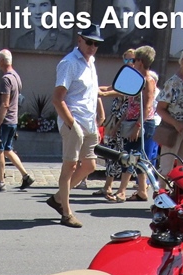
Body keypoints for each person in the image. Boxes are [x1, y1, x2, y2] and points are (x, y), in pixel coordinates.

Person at [47, 24, 105, 228]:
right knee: (70, 167)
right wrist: (72, 124)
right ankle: (66, 213)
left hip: (89, 122)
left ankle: (58, 198)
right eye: (89, 42)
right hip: (73, 122)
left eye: (96, 44)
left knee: (90, 165)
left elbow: (91, 93)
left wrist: (98, 115)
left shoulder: (91, 62)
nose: (92, 47)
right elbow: (57, 99)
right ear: (79, 39)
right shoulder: (69, 63)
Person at [0, 50, 35, 192]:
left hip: (5, 121)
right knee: (7, 149)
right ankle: (26, 176)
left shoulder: (5, 80)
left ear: (1, 61)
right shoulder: (16, 77)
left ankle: (0, 182)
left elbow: (5, 103)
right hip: (12, 120)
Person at [115, 45, 157, 202]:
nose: (133, 62)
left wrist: (138, 126)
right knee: (137, 157)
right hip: (133, 121)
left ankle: (122, 191)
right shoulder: (137, 79)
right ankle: (142, 190)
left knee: (130, 156)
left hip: (142, 123)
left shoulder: (148, 81)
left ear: (141, 61)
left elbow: (148, 106)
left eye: (135, 60)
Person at [95, 49, 135, 202]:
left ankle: (119, 188)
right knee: (111, 154)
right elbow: (111, 88)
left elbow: (122, 94)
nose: (129, 63)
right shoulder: (124, 75)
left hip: (122, 122)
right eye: (126, 60)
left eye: (132, 60)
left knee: (120, 155)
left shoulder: (136, 78)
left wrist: (103, 94)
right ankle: (108, 186)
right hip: (115, 119)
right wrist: (96, 88)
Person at [157, 45, 183, 176]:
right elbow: (160, 109)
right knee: (166, 168)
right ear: (181, 61)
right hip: (172, 130)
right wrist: (175, 123)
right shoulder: (172, 83)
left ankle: (180, 190)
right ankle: (161, 189)